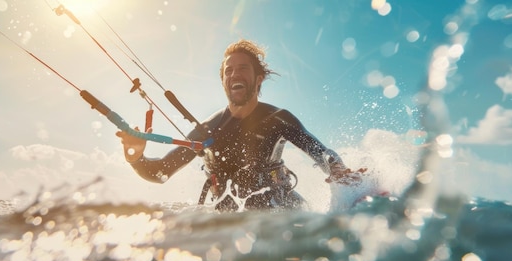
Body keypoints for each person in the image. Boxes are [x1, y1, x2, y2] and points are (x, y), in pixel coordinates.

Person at [116, 39, 363, 211]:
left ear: (259, 78)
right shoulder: (207, 129)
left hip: (285, 215)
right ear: (223, 80)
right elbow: (160, 173)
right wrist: (135, 156)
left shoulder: (278, 118)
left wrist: (340, 171)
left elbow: (320, 152)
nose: (234, 74)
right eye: (228, 71)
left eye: (243, 68)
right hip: (232, 227)